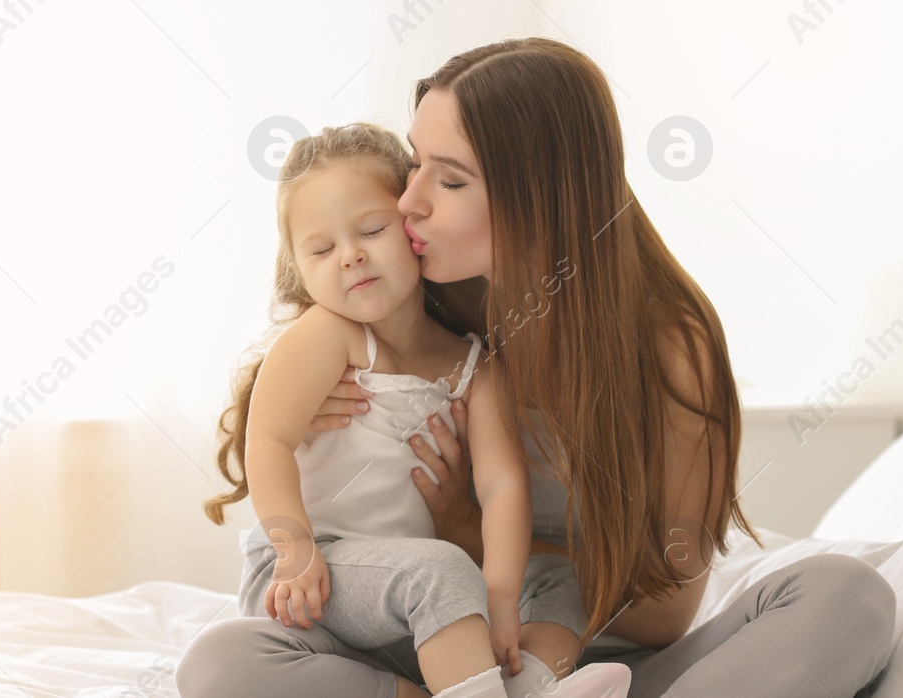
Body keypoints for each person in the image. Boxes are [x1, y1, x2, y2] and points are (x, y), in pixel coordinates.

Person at [178, 38, 897, 698]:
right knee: (222, 662)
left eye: (449, 181)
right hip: (427, 655)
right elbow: (300, 361)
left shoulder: (672, 348)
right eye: (414, 164)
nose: (408, 202)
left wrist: (466, 523)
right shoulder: (438, 295)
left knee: (845, 594)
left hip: (597, 664)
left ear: (539, 197)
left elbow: (663, 614)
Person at [192, 122, 631, 698]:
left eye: (371, 230)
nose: (349, 256)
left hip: (406, 601)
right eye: (321, 249)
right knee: (439, 570)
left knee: (559, 579)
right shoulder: (327, 336)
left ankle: (531, 687)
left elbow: (503, 485)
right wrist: (294, 548)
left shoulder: (475, 367)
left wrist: (500, 599)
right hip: (317, 574)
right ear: (297, 268)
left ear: (411, 231)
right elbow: (267, 441)